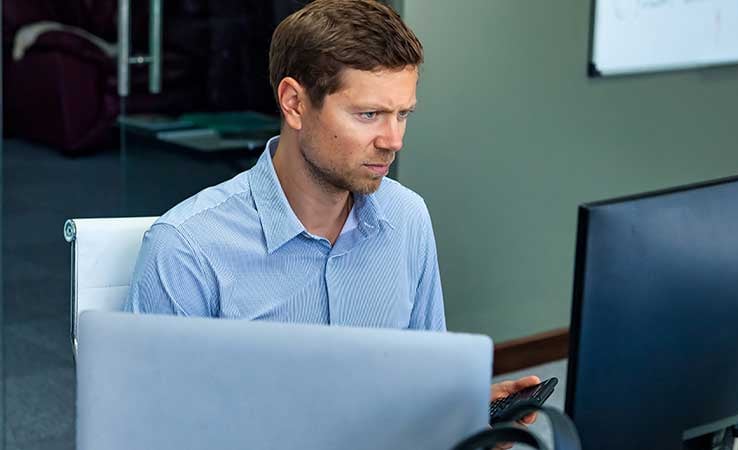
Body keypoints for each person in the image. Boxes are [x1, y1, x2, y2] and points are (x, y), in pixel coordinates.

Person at [125, 0, 538, 441]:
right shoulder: (187, 249)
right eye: (369, 114)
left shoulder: (407, 217)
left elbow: (420, 383)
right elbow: (157, 433)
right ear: (294, 103)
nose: (393, 140)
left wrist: (461, 419)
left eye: (403, 114)